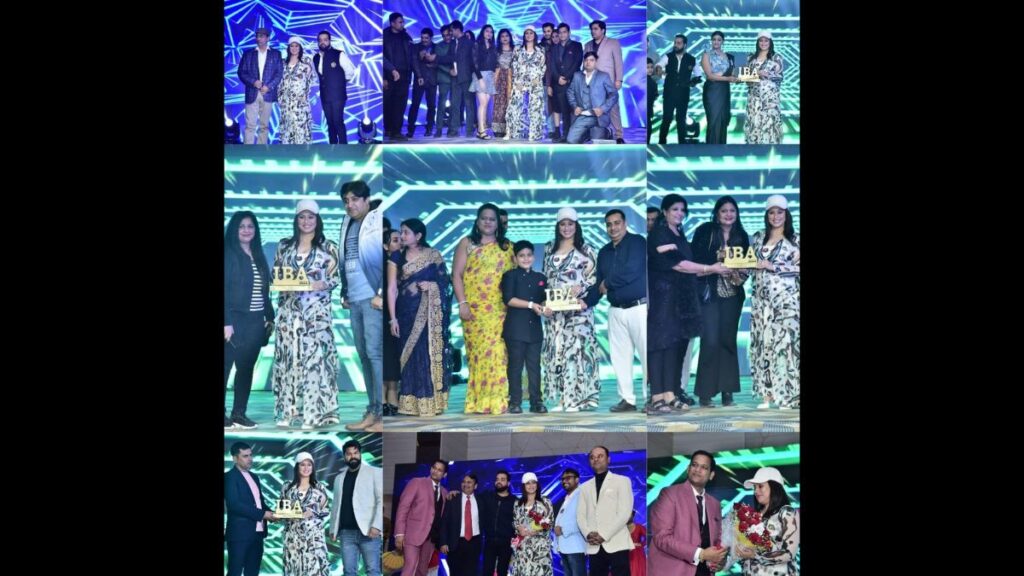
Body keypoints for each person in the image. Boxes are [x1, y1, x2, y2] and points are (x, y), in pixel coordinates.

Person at [647, 195, 728, 414]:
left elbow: (688, 266)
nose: (680, 213)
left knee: (674, 347)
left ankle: (670, 394)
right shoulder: (659, 233)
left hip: (680, 299)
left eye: (683, 210)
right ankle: (656, 396)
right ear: (665, 211)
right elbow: (679, 265)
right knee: (660, 346)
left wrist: (717, 267)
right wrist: (711, 268)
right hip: (663, 298)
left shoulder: (679, 233)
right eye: (675, 209)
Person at [271, 199, 341, 429]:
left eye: (311, 217)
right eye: (302, 217)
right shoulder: (284, 246)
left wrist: (323, 283)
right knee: (288, 361)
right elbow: (275, 275)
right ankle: (288, 412)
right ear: (296, 219)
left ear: (317, 220)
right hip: (288, 315)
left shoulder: (328, 247)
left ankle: (315, 414)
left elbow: (335, 278)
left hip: (316, 316)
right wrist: (284, 283)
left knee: (315, 363)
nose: (306, 221)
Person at [452, 204, 515, 414]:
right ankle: (479, 401)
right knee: (478, 355)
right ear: (477, 221)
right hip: (473, 311)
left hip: (500, 310)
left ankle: (498, 400)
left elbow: (516, 277)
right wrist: (462, 303)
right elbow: (456, 275)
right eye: (484, 218)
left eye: (492, 219)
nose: (487, 222)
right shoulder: (467, 243)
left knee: (498, 353)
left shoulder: (507, 247)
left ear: (498, 223)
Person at [387, 219, 453, 416]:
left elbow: (445, 283)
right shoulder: (396, 257)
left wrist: (431, 286)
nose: (402, 236)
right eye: (401, 232)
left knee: (427, 353)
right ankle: (411, 402)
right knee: (410, 356)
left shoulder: (433, 255)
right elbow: (392, 289)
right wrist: (393, 318)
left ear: (418, 236)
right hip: (406, 312)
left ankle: (431, 401)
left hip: (430, 313)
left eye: (406, 232)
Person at [692, 196, 750, 408]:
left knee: (727, 341)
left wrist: (740, 271)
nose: (728, 214)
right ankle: (705, 393)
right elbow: (694, 258)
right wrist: (716, 260)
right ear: (717, 213)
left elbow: (746, 266)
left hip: (733, 296)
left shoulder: (741, 235)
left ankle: (728, 392)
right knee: (710, 341)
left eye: (732, 211)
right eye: (724, 210)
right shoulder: (705, 231)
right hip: (709, 294)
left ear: (737, 214)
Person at [543, 207, 601, 412]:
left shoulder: (586, 249)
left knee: (578, 352)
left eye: (570, 224)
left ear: (577, 226)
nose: (566, 228)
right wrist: (546, 302)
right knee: (558, 351)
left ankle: (578, 398)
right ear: (558, 226)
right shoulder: (549, 248)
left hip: (579, 310)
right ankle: (563, 399)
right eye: (563, 224)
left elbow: (595, 278)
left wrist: (581, 287)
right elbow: (546, 278)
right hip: (556, 312)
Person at [338, 181, 384, 432]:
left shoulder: (377, 222)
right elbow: (344, 259)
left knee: (375, 355)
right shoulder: (347, 222)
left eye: (355, 199)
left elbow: (388, 257)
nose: (350, 204)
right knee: (364, 356)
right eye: (346, 200)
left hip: (372, 299)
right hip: (355, 298)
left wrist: (380, 293)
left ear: (367, 200)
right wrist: (345, 290)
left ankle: (381, 415)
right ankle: (372, 410)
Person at [224, 211, 274, 429]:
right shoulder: (228, 254)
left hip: (255, 322)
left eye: (250, 226)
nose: (246, 230)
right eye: (242, 226)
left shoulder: (258, 254)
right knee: (226, 368)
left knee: (245, 369)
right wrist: (226, 323)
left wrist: (269, 317)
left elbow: (264, 291)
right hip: (233, 320)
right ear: (235, 230)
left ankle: (239, 414)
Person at [749, 195, 800, 409]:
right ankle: (767, 395)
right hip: (762, 302)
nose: (775, 216)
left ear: (786, 214)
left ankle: (789, 396)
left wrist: (775, 267)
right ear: (766, 215)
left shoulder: (795, 239)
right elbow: (750, 264)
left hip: (787, 301)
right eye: (771, 212)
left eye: (780, 212)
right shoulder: (758, 237)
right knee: (764, 345)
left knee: (786, 347)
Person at [596, 209, 647, 413]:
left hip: (639, 307)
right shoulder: (604, 252)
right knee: (620, 358)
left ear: (625, 224)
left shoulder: (637, 243)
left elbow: (631, 270)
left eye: (617, 223)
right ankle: (627, 399)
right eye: (609, 224)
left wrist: (607, 283)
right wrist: (583, 301)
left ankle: (651, 398)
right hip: (615, 310)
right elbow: (598, 283)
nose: (613, 228)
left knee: (646, 355)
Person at [648, 450, 727, 576]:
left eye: (704, 467)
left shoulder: (715, 504)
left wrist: (720, 561)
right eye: (694, 465)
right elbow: (662, 538)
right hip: (673, 571)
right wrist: (701, 554)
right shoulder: (670, 494)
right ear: (688, 469)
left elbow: (717, 541)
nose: (697, 470)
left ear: (711, 475)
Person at [501, 240, 551, 414]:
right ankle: (515, 402)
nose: (526, 258)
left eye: (529, 255)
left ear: (533, 257)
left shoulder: (541, 278)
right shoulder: (509, 276)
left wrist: (546, 308)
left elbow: (544, 301)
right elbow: (508, 299)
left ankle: (537, 402)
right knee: (515, 367)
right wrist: (531, 305)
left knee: (534, 367)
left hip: (534, 330)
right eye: (521, 255)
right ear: (515, 258)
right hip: (515, 329)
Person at [330, 439, 384, 576]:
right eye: (349, 454)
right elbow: (336, 505)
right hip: (346, 533)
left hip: (369, 532)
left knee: (372, 570)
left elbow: (380, 500)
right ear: (344, 457)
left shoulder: (375, 472)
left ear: (360, 454)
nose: (353, 456)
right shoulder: (339, 478)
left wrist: (377, 526)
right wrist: (333, 529)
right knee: (349, 571)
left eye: (355, 453)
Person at [577, 446, 633, 576]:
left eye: (600, 456)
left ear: (608, 459)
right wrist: (588, 534)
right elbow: (580, 515)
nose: (596, 459)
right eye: (592, 457)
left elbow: (624, 513)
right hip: (594, 545)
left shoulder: (622, 481)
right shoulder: (584, 487)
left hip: (617, 542)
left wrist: (604, 535)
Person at [733, 467, 799, 576]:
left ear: (774, 487)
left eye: (760, 486)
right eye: (754, 487)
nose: (756, 491)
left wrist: (755, 555)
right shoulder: (753, 516)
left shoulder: (787, 513)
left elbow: (789, 553)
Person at [225, 442, 278, 576]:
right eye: (245, 456)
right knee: (235, 572)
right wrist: (263, 514)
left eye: (250, 455)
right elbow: (234, 504)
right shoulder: (229, 477)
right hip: (239, 535)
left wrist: (273, 514)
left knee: (253, 572)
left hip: (258, 534)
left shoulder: (254, 477)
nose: (250, 459)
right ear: (235, 458)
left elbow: (260, 503)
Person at [395, 460, 450, 576]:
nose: (435, 471)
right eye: (434, 468)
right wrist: (399, 533)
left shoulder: (445, 493)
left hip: (431, 539)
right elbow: (403, 507)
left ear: (444, 474)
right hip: (413, 535)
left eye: (439, 470)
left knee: (422, 571)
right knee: (410, 568)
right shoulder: (417, 482)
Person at [281, 452, 331, 576]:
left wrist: (313, 511)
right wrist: (298, 514)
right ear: (297, 466)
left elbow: (326, 510)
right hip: (293, 538)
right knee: (294, 570)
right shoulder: (287, 487)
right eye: (302, 464)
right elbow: (281, 511)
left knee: (315, 571)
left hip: (314, 539)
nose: (306, 468)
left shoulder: (319, 487)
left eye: (309, 465)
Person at [238, 28, 283, 144]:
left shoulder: (276, 54)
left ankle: (261, 150)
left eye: (262, 36)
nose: (259, 38)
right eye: (257, 36)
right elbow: (241, 72)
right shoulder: (248, 54)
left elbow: (279, 74)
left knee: (264, 126)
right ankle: (248, 150)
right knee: (250, 125)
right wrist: (253, 82)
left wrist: (269, 86)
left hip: (267, 93)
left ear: (268, 38)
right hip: (252, 92)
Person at [583, 20, 625, 143]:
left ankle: (619, 135)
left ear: (603, 30)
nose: (593, 31)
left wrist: (619, 79)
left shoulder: (613, 43)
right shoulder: (588, 45)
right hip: (592, 82)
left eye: (596, 29)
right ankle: (592, 133)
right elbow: (584, 64)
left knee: (613, 108)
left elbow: (618, 62)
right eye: (592, 29)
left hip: (609, 81)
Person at [313, 30, 357, 144]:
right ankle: (332, 148)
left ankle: (343, 147)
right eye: (320, 40)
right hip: (325, 96)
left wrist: (339, 83)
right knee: (330, 123)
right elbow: (319, 75)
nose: (322, 42)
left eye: (325, 40)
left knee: (338, 122)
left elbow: (350, 72)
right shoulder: (316, 57)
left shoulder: (339, 54)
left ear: (329, 41)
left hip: (338, 95)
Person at [564, 52, 618, 144]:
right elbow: (570, 92)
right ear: (583, 62)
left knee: (596, 142)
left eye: (591, 60)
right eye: (586, 60)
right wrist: (574, 106)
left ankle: (607, 132)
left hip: (599, 117)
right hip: (583, 115)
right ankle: (586, 133)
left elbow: (614, 95)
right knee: (571, 140)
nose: (588, 62)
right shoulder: (577, 76)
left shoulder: (603, 76)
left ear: (596, 62)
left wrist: (602, 109)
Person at [505, 26, 547, 141]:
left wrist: (538, 78)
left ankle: (535, 134)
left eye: (531, 33)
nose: (529, 35)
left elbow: (543, 66)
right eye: (527, 33)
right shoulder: (518, 49)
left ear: (534, 35)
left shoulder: (540, 50)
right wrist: (516, 81)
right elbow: (513, 65)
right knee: (514, 107)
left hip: (535, 82)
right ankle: (512, 132)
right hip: (519, 81)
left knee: (536, 107)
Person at [657, 34, 700, 145]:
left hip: (683, 94)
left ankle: (682, 143)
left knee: (681, 119)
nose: (676, 45)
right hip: (669, 93)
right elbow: (659, 66)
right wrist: (660, 71)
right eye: (675, 43)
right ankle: (661, 142)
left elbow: (698, 75)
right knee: (667, 118)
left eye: (679, 43)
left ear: (684, 45)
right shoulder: (668, 57)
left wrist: (693, 82)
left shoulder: (692, 59)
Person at [743, 31, 784, 144]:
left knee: (770, 123)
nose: (763, 43)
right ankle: (754, 148)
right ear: (757, 42)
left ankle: (772, 148)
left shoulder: (776, 57)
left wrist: (767, 75)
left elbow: (780, 77)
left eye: (766, 40)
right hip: (754, 97)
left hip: (770, 98)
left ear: (770, 42)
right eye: (761, 40)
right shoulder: (751, 57)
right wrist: (757, 73)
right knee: (754, 122)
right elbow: (745, 77)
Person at [440, 474, 484, 576]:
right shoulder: (452, 499)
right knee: (455, 573)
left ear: (475, 486)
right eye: (463, 482)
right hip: (456, 544)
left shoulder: (481, 500)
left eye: (469, 482)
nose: (465, 484)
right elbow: (444, 522)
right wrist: (443, 542)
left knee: (472, 573)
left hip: (474, 544)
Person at [511, 473, 554, 576]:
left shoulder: (545, 501)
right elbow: (514, 522)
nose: (531, 486)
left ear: (537, 484)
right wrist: (518, 529)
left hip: (539, 550)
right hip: (522, 549)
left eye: (533, 482)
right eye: (528, 483)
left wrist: (537, 531)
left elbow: (550, 522)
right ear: (523, 486)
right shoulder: (518, 504)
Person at [547, 23, 583, 142]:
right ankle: (565, 135)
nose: (562, 34)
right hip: (558, 83)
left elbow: (577, 63)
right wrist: (558, 78)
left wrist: (566, 78)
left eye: (564, 32)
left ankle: (575, 135)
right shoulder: (554, 48)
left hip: (572, 82)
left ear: (569, 33)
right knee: (563, 110)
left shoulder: (577, 45)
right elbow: (552, 66)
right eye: (560, 32)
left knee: (574, 109)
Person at [700, 31, 737, 144]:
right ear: (711, 41)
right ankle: (711, 148)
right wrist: (728, 78)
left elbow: (733, 74)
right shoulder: (706, 55)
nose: (716, 42)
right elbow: (710, 76)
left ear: (722, 41)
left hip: (724, 90)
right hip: (712, 90)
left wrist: (744, 77)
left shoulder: (729, 57)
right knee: (713, 119)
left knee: (723, 119)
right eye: (714, 39)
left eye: (719, 40)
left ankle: (721, 148)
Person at [478, 471, 517, 576]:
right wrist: (456, 493)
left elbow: (518, 522)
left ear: (508, 483)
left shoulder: (514, 501)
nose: (499, 481)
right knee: (486, 572)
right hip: (489, 542)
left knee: (502, 572)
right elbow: (471, 497)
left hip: (506, 544)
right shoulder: (487, 496)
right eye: (497, 479)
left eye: (502, 479)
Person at [279, 37, 315, 144]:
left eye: (296, 46)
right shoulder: (282, 64)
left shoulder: (306, 64)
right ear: (288, 48)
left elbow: (310, 81)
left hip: (300, 102)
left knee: (300, 127)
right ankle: (287, 151)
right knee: (287, 127)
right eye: (292, 46)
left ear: (300, 48)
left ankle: (302, 151)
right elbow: (279, 82)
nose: (294, 48)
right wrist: (280, 97)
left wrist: (305, 95)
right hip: (286, 102)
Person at [383, 14, 414, 141]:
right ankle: (389, 129)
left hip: (404, 75)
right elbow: (380, 57)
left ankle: (396, 131)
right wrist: (386, 75)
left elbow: (412, 56)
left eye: (403, 22)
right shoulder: (384, 36)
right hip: (389, 75)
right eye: (400, 22)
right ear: (392, 23)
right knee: (388, 104)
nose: (402, 24)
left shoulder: (405, 36)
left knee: (400, 105)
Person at [553, 469, 586, 576]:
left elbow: (583, 519)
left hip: (575, 547)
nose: (564, 481)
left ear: (577, 480)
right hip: (565, 547)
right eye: (563, 479)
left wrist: (563, 529)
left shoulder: (582, 495)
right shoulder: (568, 497)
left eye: (568, 478)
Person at [382, 227, 401, 416]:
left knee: (396, 353)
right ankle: (383, 395)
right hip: (382, 313)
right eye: (395, 240)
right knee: (384, 353)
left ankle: (393, 392)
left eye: (401, 239)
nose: (400, 243)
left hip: (403, 312)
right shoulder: (378, 265)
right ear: (385, 245)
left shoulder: (407, 260)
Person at [408, 27, 439, 138]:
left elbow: (439, 62)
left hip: (432, 80)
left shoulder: (436, 47)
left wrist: (432, 63)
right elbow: (414, 62)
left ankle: (429, 128)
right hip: (419, 80)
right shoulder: (416, 47)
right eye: (422, 37)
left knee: (431, 106)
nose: (424, 40)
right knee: (415, 105)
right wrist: (419, 75)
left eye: (426, 38)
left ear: (431, 38)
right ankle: (410, 129)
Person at [470, 25, 498, 139]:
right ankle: (481, 130)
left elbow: (494, 63)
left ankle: (481, 129)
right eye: (487, 31)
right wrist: (480, 78)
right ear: (483, 32)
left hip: (490, 75)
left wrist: (494, 75)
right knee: (482, 103)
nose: (489, 33)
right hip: (479, 75)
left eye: (491, 32)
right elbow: (474, 63)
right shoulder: (477, 44)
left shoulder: (493, 46)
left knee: (485, 104)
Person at [492, 29, 516, 137]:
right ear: (499, 38)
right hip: (499, 79)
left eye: (507, 36)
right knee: (499, 104)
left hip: (512, 79)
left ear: (510, 37)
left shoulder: (515, 50)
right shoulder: (496, 51)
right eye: (502, 36)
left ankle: (510, 128)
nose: (505, 38)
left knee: (510, 103)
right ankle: (498, 129)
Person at [628, 510, 646, 576]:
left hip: (637, 553)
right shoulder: (622, 529)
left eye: (629, 515)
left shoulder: (639, 527)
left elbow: (648, 537)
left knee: (636, 571)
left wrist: (641, 544)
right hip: (625, 552)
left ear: (633, 516)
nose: (628, 517)